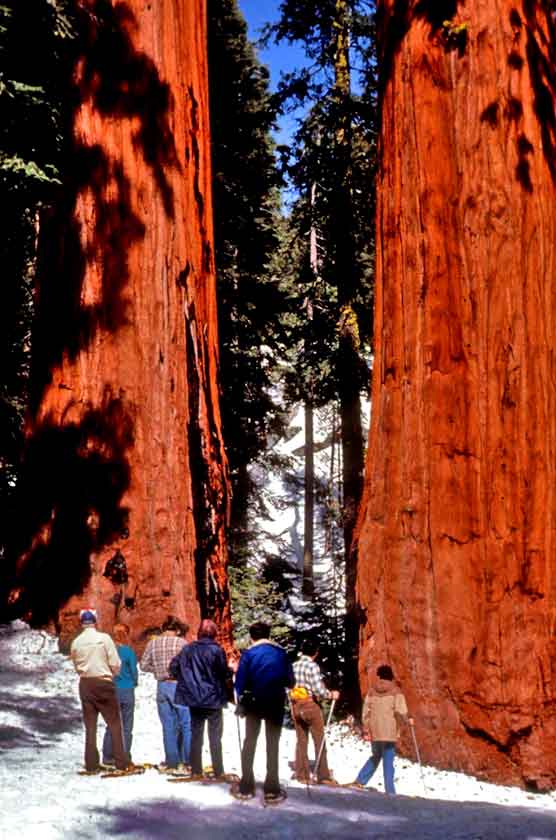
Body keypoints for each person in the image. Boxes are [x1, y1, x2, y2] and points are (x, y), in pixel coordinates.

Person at [231, 621, 294, 805]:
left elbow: (240, 683)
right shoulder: (280, 653)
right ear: (269, 634)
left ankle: (246, 785)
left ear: (252, 636)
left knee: (250, 741)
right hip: (275, 701)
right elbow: (290, 681)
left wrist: (241, 691)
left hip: (254, 702)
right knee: (272, 743)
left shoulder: (249, 654)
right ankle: (272, 788)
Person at [169, 618, 230, 779]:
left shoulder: (188, 649)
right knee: (215, 737)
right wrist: (231, 670)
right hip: (213, 698)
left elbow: (173, 667)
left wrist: (184, 679)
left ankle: (196, 769)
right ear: (214, 634)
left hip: (194, 698)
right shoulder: (217, 650)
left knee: (196, 734)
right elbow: (224, 673)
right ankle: (218, 770)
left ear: (199, 633)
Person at [70, 609, 128, 773]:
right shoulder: (104, 639)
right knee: (114, 724)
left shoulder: (76, 642)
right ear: (95, 622)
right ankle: (120, 763)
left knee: (90, 726)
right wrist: (112, 674)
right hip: (103, 682)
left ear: (82, 623)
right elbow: (115, 662)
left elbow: (75, 665)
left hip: (86, 684)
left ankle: (91, 763)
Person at [351, 664, 413, 795]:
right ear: (391, 676)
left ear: (379, 676)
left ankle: (360, 780)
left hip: (375, 730)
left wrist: (366, 727)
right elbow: (400, 710)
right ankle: (390, 790)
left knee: (376, 756)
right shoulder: (396, 691)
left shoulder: (372, 691)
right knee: (388, 759)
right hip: (389, 731)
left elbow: (365, 711)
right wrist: (408, 719)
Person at [140, 617, 191, 773]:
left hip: (162, 686)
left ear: (163, 629)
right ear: (176, 630)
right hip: (179, 685)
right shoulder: (182, 643)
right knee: (186, 724)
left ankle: (172, 761)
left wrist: (157, 669)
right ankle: (188, 761)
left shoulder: (152, 644)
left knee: (168, 725)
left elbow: (143, 665)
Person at [291, 639, 339, 785]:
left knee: (301, 740)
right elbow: (318, 689)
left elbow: (287, 686)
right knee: (319, 739)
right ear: (315, 653)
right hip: (310, 704)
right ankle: (323, 775)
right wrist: (331, 694)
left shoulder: (293, 665)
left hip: (295, 704)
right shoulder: (312, 666)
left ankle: (302, 774)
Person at [102, 622, 138, 766]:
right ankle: (124, 755)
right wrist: (134, 682)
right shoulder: (128, 652)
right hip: (127, 690)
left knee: (111, 724)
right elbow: (134, 672)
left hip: (112, 689)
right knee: (127, 725)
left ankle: (107, 755)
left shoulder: (107, 652)